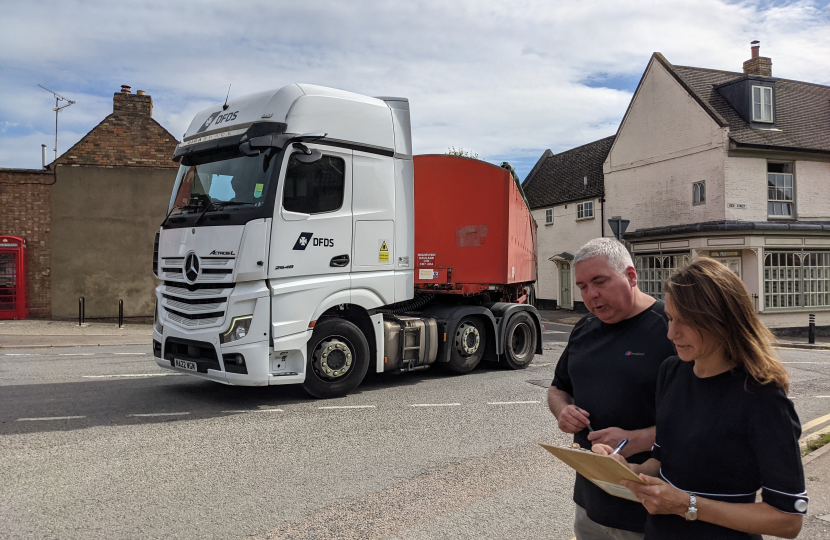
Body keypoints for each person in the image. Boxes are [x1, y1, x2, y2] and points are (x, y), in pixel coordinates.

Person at [594, 258, 806, 539]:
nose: (672, 333)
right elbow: (662, 460)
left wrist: (687, 505)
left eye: (688, 321)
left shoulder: (763, 397)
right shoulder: (672, 371)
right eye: (670, 317)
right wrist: (627, 470)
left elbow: (788, 520)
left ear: (722, 320)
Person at [548, 238, 676, 539]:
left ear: (631, 276)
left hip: (650, 507)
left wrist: (640, 439)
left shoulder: (671, 328)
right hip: (590, 503)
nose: (591, 295)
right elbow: (557, 389)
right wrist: (562, 411)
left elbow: (704, 417)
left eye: (600, 281)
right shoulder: (584, 328)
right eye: (582, 286)